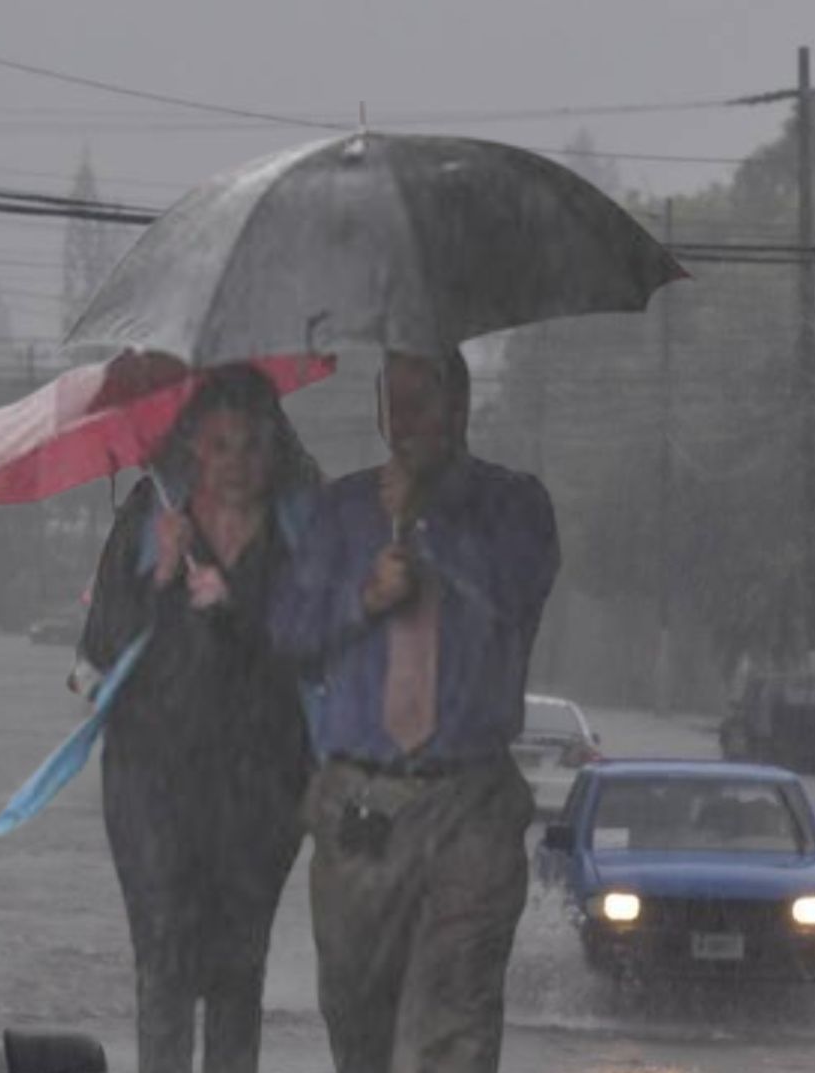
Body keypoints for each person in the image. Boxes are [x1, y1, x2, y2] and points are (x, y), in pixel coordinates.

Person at [270, 347, 559, 1073]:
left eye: (419, 404)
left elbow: (515, 598)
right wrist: (363, 598)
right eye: (390, 404)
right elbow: (290, 635)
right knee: (359, 1021)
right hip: (358, 802)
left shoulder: (513, 504)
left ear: (459, 410)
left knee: (452, 1024)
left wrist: (428, 528)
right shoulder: (340, 512)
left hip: (469, 799)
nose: (402, 423)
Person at [76, 365, 320, 1073]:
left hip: (264, 784)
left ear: (274, 450)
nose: (235, 463)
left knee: (239, 967)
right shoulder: (149, 522)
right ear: (193, 449)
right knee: (163, 959)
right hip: (152, 782)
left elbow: (320, 641)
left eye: (251, 445)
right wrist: (161, 576)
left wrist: (235, 603)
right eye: (219, 445)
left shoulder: (299, 532)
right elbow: (98, 651)